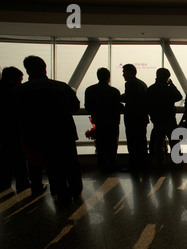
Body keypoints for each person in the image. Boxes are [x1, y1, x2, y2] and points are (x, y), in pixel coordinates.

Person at [16, 55, 82, 203]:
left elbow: (15, 114)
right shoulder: (61, 87)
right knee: (71, 163)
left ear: (27, 70)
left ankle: (62, 194)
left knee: (53, 166)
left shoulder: (20, 91)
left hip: (40, 135)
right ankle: (76, 190)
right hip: (65, 132)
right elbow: (75, 107)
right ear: (45, 68)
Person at [85, 67, 124, 173]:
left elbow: (88, 107)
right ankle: (111, 164)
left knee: (101, 145)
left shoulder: (90, 90)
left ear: (98, 76)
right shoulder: (115, 91)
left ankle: (103, 166)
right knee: (112, 144)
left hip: (99, 121)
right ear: (108, 77)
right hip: (113, 122)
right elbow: (118, 107)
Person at [0, 66, 31, 193]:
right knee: (19, 157)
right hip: (14, 130)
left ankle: (4, 183)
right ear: (10, 79)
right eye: (19, 80)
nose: (20, 83)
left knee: (5, 157)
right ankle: (22, 182)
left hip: (4, 130)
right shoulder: (14, 93)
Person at [146, 68, 183, 167]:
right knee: (174, 142)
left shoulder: (151, 89)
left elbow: (147, 104)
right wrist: (172, 85)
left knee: (158, 143)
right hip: (169, 119)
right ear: (167, 77)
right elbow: (179, 96)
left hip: (157, 120)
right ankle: (176, 163)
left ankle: (160, 163)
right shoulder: (169, 89)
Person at [121, 63, 149, 172]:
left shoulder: (130, 84)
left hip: (133, 118)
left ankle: (133, 166)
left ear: (129, 72)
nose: (123, 74)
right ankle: (144, 165)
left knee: (132, 143)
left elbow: (130, 99)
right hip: (141, 117)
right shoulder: (142, 84)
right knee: (141, 142)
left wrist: (121, 98)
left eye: (124, 72)